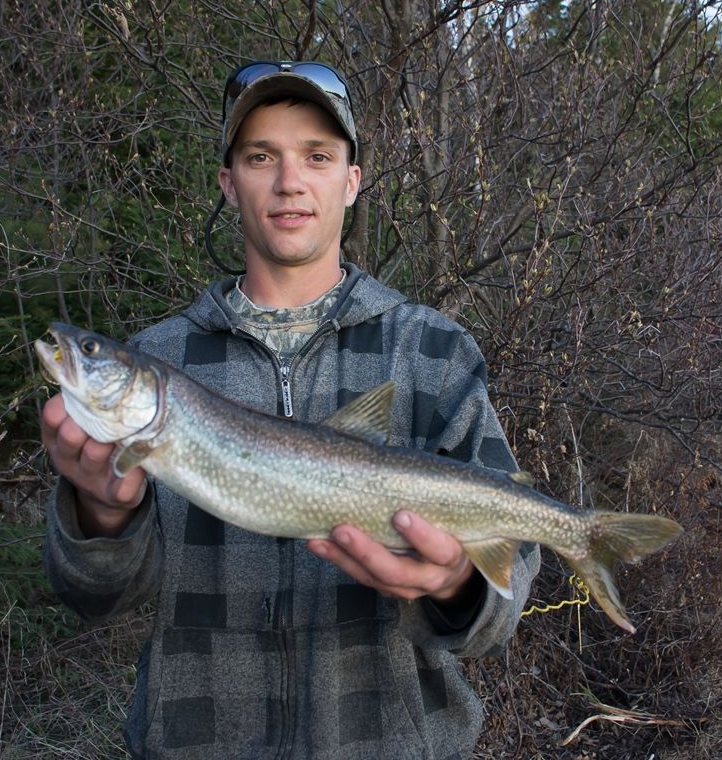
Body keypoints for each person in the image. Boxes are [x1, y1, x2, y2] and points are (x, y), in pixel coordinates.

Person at [41, 60, 540, 760]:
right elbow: (93, 599)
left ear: (352, 181)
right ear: (227, 182)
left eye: (316, 156)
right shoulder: (161, 354)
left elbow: (507, 588)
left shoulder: (433, 351)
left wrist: (458, 584)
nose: (288, 181)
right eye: (260, 157)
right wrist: (101, 515)